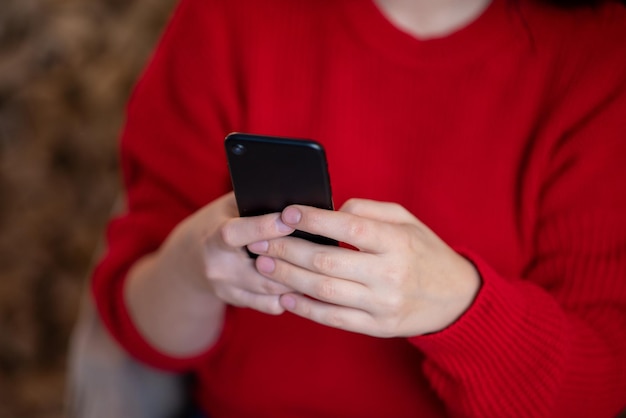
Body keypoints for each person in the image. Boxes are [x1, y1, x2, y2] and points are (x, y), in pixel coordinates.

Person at [91, 0, 626, 416]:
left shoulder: (600, 56)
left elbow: (595, 392)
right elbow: (139, 331)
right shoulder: (231, 16)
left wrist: (460, 307)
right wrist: (191, 268)